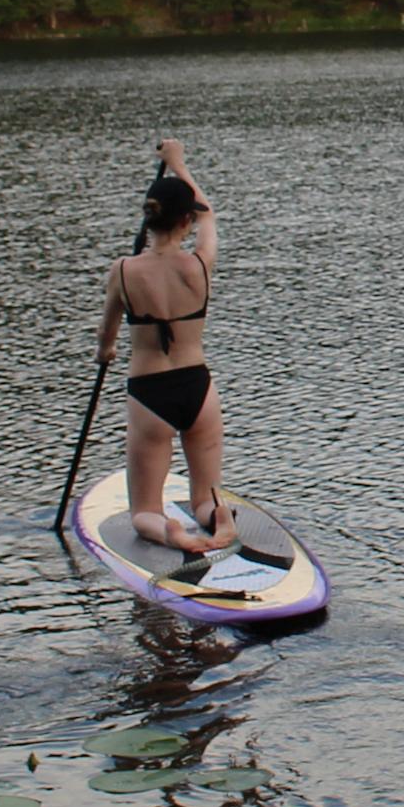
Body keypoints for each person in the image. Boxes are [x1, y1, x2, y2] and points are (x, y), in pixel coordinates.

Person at [95, 139, 233, 554]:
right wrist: (180, 165)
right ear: (186, 221)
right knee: (204, 496)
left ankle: (168, 530)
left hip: (150, 393)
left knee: (143, 511)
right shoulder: (199, 263)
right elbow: (208, 214)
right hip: (198, 388)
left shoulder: (123, 270)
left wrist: (106, 353)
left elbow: (106, 335)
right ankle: (217, 516)